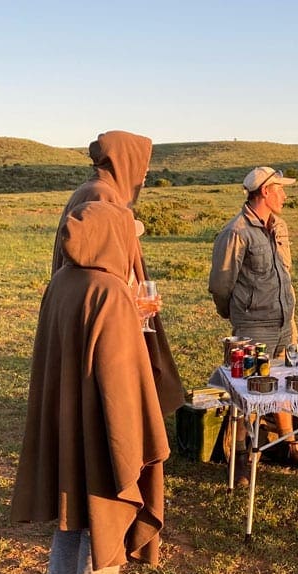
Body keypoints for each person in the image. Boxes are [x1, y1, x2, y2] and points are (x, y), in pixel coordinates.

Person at [11, 201, 170, 574]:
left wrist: (126, 318)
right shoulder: (110, 290)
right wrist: (130, 440)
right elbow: (119, 376)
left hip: (65, 415)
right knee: (106, 503)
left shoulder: (60, 281)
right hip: (100, 419)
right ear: (111, 237)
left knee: (73, 504)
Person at [53, 130, 184, 416]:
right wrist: (129, 304)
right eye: (142, 166)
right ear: (125, 162)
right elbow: (96, 260)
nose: (145, 175)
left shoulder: (95, 190)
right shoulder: (101, 194)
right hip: (109, 314)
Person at [209, 167, 298, 482]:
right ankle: (242, 456)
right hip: (253, 326)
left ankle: (290, 445)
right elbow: (220, 285)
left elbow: (285, 272)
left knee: (283, 383)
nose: (284, 196)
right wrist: (236, 315)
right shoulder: (235, 232)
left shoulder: (280, 226)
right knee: (247, 391)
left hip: (285, 323)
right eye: (280, 190)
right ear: (264, 192)